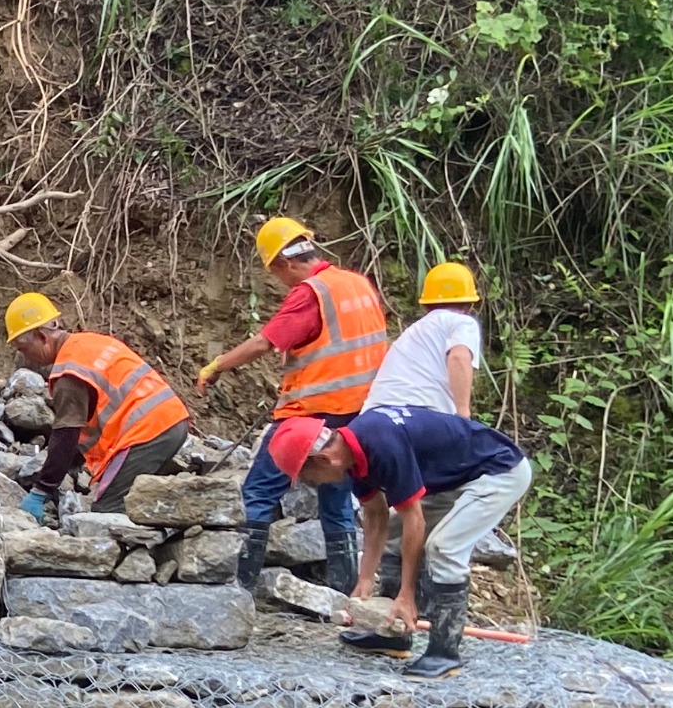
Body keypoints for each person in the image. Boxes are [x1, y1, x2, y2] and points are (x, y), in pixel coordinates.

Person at [193, 215, 389, 598]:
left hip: (311, 414)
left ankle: (239, 591)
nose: (279, 280)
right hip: (357, 415)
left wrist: (217, 366)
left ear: (282, 262)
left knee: (259, 492)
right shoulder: (357, 283)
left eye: (275, 272)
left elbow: (265, 342)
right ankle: (344, 594)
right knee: (337, 498)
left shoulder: (311, 293)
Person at [261, 407, 535, 678]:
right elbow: (376, 514)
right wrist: (365, 579)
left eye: (308, 477)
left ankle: (444, 653)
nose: (313, 483)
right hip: (456, 477)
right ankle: (394, 632)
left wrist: (407, 594)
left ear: (323, 460)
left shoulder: (381, 445)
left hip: (499, 470)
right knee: (394, 529)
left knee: (444, 548)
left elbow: (415, 520)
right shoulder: (353, 452)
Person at [0, 296, 191, 523]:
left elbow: (66, 434)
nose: (25, 356)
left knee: (108, 512)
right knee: (139, 501)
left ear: (42, 337)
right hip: (172, 420)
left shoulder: (68, 373)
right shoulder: (90, 343)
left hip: (147, 433)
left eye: (24, 348)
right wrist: (71, 464)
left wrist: (41, 490)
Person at [364, 262, 483, 419]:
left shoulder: (414, 331)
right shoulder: (462, 322)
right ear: (469, 304)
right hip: (418, 415)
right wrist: (463, 414)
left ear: (426, 304)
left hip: (373, 417)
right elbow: (458, 357)